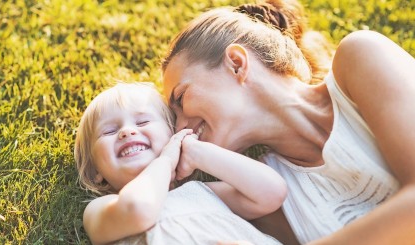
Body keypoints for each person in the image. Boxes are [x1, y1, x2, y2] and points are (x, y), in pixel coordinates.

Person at [161, 0, 415, 244]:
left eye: (181, 98)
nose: (181, 126)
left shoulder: (361, 56)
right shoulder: (268, 199)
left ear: (236, 64)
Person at [73, 82, 287, 244]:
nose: (127, 131)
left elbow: (272, 192)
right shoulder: (101, 209)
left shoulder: (202, 192)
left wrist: (197, 152)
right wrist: (166, 161)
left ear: (172, 135)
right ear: (94, 172)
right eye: (109, 131)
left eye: (143, 121)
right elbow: (139, 209)